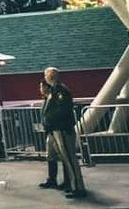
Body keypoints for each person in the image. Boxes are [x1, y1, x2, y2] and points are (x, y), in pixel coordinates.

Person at [42, 68, 86, 199]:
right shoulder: (55, 90)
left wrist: (49, 119)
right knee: (67, 158)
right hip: (57, 129)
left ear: (50, 76)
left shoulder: (61, 91)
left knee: (70, 159)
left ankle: (78, 187)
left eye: (45, 75)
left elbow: (62, 110)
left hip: (62, 129)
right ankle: (72, 185)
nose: (45, 77)